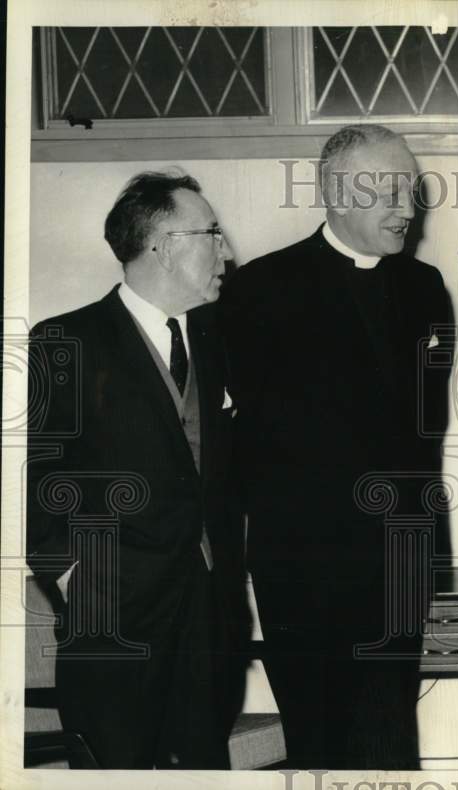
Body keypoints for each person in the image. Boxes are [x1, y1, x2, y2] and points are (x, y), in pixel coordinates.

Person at [219, 124, 453, 769]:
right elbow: (239, 439)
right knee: (320, 751)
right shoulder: (259, 289)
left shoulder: (426, 287)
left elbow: (424, 433)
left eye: (410, 190)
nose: (406, 207)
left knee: (390, 750)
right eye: (387, 191)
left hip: (398, 564)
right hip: (304, 570)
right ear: (337, 193)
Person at [26, 171, 242, 768]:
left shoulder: (219, 340)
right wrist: (72, 578)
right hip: (111, 624)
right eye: (212, 234)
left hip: (207, 617)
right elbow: (33, 481)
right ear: (165, 245)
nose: (225, 249)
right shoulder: (65, 341)